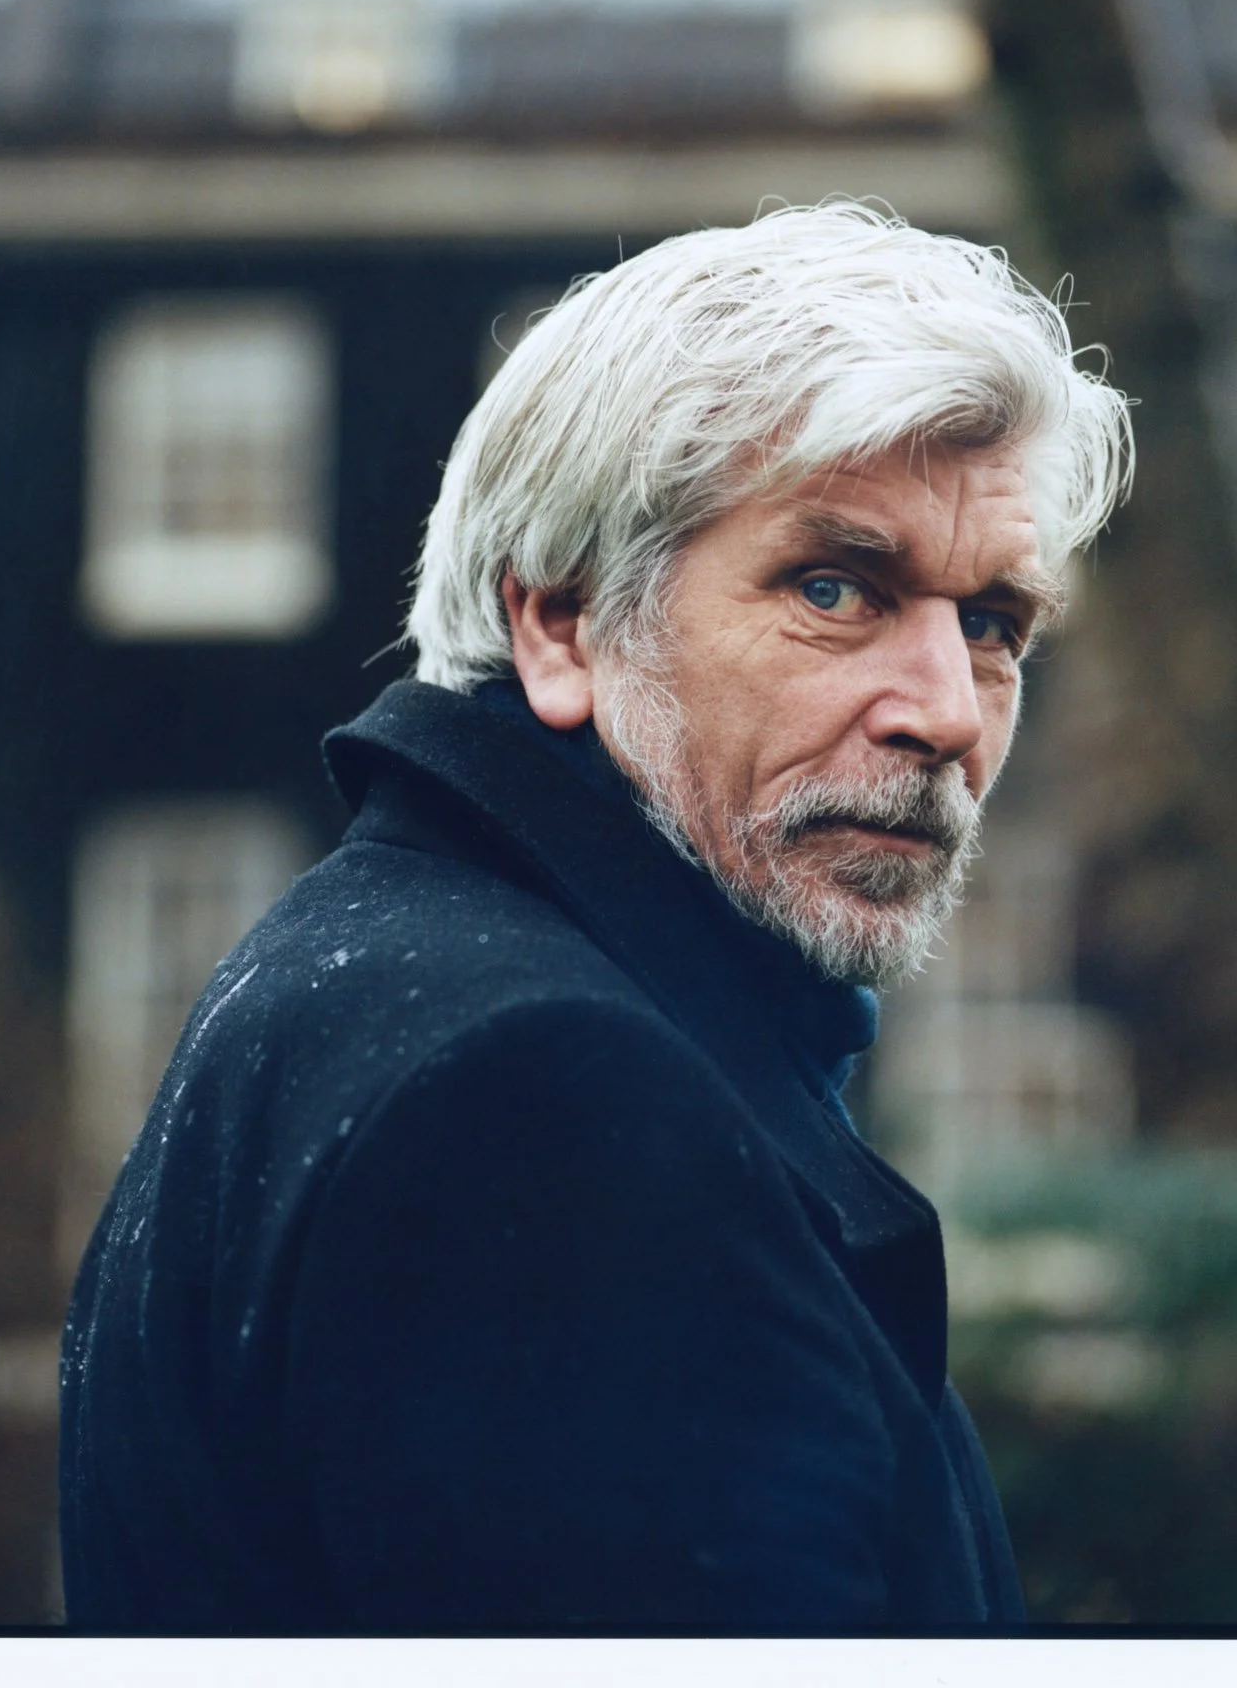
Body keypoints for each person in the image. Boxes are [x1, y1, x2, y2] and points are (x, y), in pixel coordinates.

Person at [58, 200, 1132, 1632]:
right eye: (833, 589)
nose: (943, 711)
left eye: (991, 624)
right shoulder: (546, 1101)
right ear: (560, 624)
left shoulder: (376, 975)